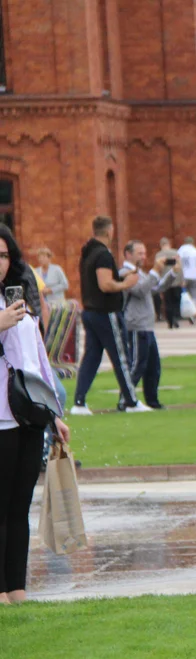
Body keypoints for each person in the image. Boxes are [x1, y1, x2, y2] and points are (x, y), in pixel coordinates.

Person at [0, 225, 71, 605]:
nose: (0, 263)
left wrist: (54, 414)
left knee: (19, 504)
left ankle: (17, 588)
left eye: (4, 256)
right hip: (0, 419)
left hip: (28, 415)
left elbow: (38, 362)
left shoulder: (18, 301)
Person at [71, 216, 148, 415]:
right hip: (106, 312)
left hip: (90, 311)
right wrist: (125, 284)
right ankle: (131, 401)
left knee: (92, 357)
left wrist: (120, 276)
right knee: (121, 357)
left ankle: (79, 402)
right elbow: (105, 284)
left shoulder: (87, 252)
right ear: (109, 231)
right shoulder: (103, 254)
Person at [121, 240, 179, 410]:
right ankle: (125, 400)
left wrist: (172, 274)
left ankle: (152, 401)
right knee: (137, 365)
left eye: (144, 253)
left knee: (153, 366)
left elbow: (155, 288)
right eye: (140, 253)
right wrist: (155, 271)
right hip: (136, 325)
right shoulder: (125, 272)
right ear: (128, 254)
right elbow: (140, 290)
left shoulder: (141, 272)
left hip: (147, 325)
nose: (143, 257)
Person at [155, 238, 181, 327]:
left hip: (165, 281)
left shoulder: (159, 255)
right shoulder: (175, 253)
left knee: (167, 301)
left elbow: (158, 269)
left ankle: (170, 321)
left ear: (161, 245)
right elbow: (180, 266)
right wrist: (182, 279)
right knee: (176, 300)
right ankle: (176, 318)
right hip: (176, 280)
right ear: (169, 244)